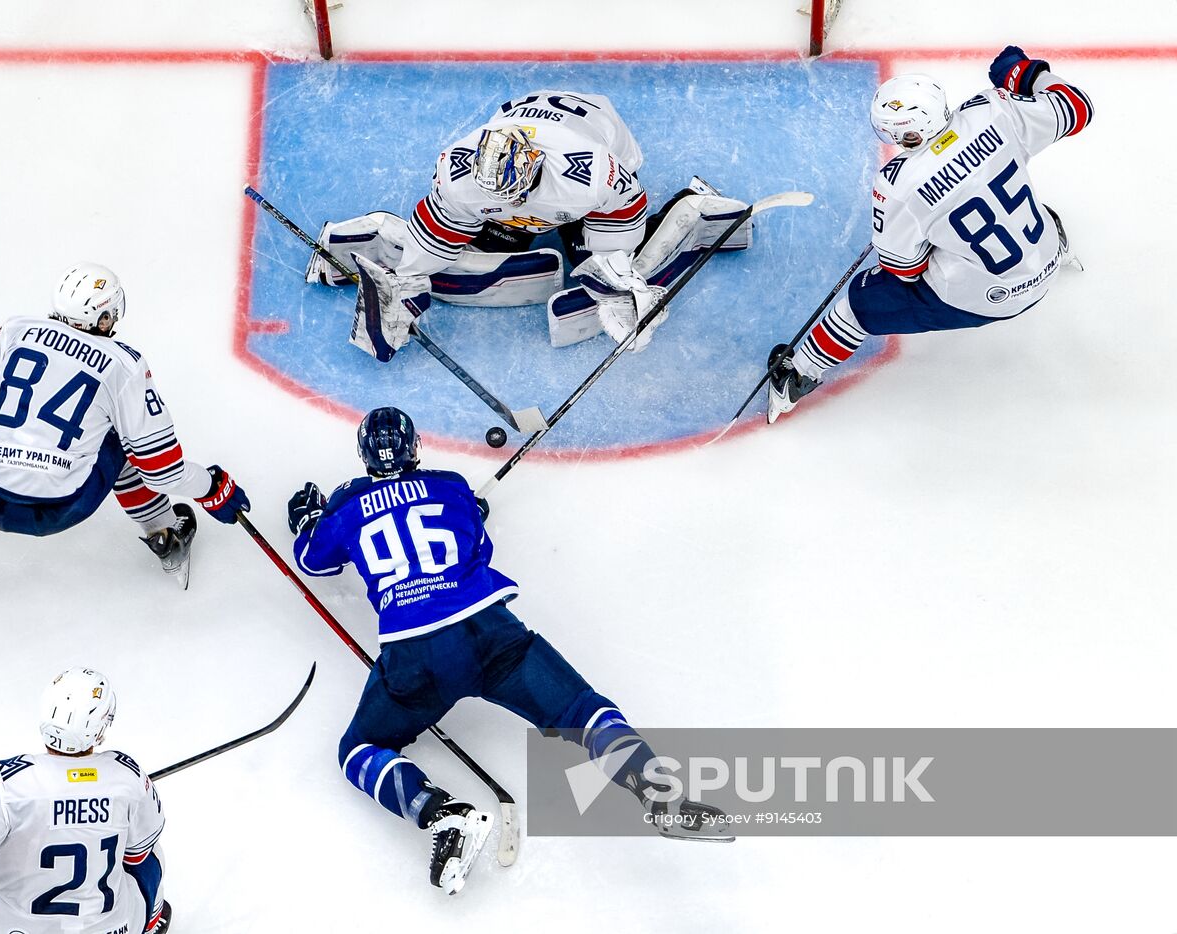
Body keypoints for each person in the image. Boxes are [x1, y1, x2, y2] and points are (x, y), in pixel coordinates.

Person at [286, 407, 731, 895]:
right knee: (582, 711)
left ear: (364, 455)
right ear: (415, 448)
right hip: (489, 634)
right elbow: (480, 551)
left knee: (357, 750)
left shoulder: (346, 504)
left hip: (414, 656)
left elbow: (313, 561)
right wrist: (468, 514)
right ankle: (656, 790)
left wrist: (310, 519)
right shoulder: (451, 486)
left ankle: (443, 815)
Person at [0, 264, 250, 587]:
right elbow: (162, 470)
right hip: (63, 507)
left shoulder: (18, 331)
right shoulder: (124, 365)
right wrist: (212, 488)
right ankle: (165, 536)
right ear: (104, 317)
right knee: (128, 453)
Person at [766, 47, 1094, 423]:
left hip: (989, 299)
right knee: (1028, 208)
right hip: (1045, 255)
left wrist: (921, 227)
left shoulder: (897, 184)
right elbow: (1078, 108)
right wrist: (1023, 73)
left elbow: (905, 270)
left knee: (860, 303)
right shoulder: (994, 109)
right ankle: (1058, 251)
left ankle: (797, 376)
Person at [305, 90, 755, 360]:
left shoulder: (589, 174)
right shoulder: (458, 170)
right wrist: (405, 280)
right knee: (487, 242)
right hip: (522, 116)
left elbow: (627, 208)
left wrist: (616, 272)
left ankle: (691, 205)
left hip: (598, 128)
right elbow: (439, 232)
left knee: (598, 257)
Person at [0, 668, 171, 934]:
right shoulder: (127, 775)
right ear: (101, 725)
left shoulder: (3, 784)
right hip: (113, 929)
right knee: (150, 850)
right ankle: (150, 925)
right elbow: (137, 857)